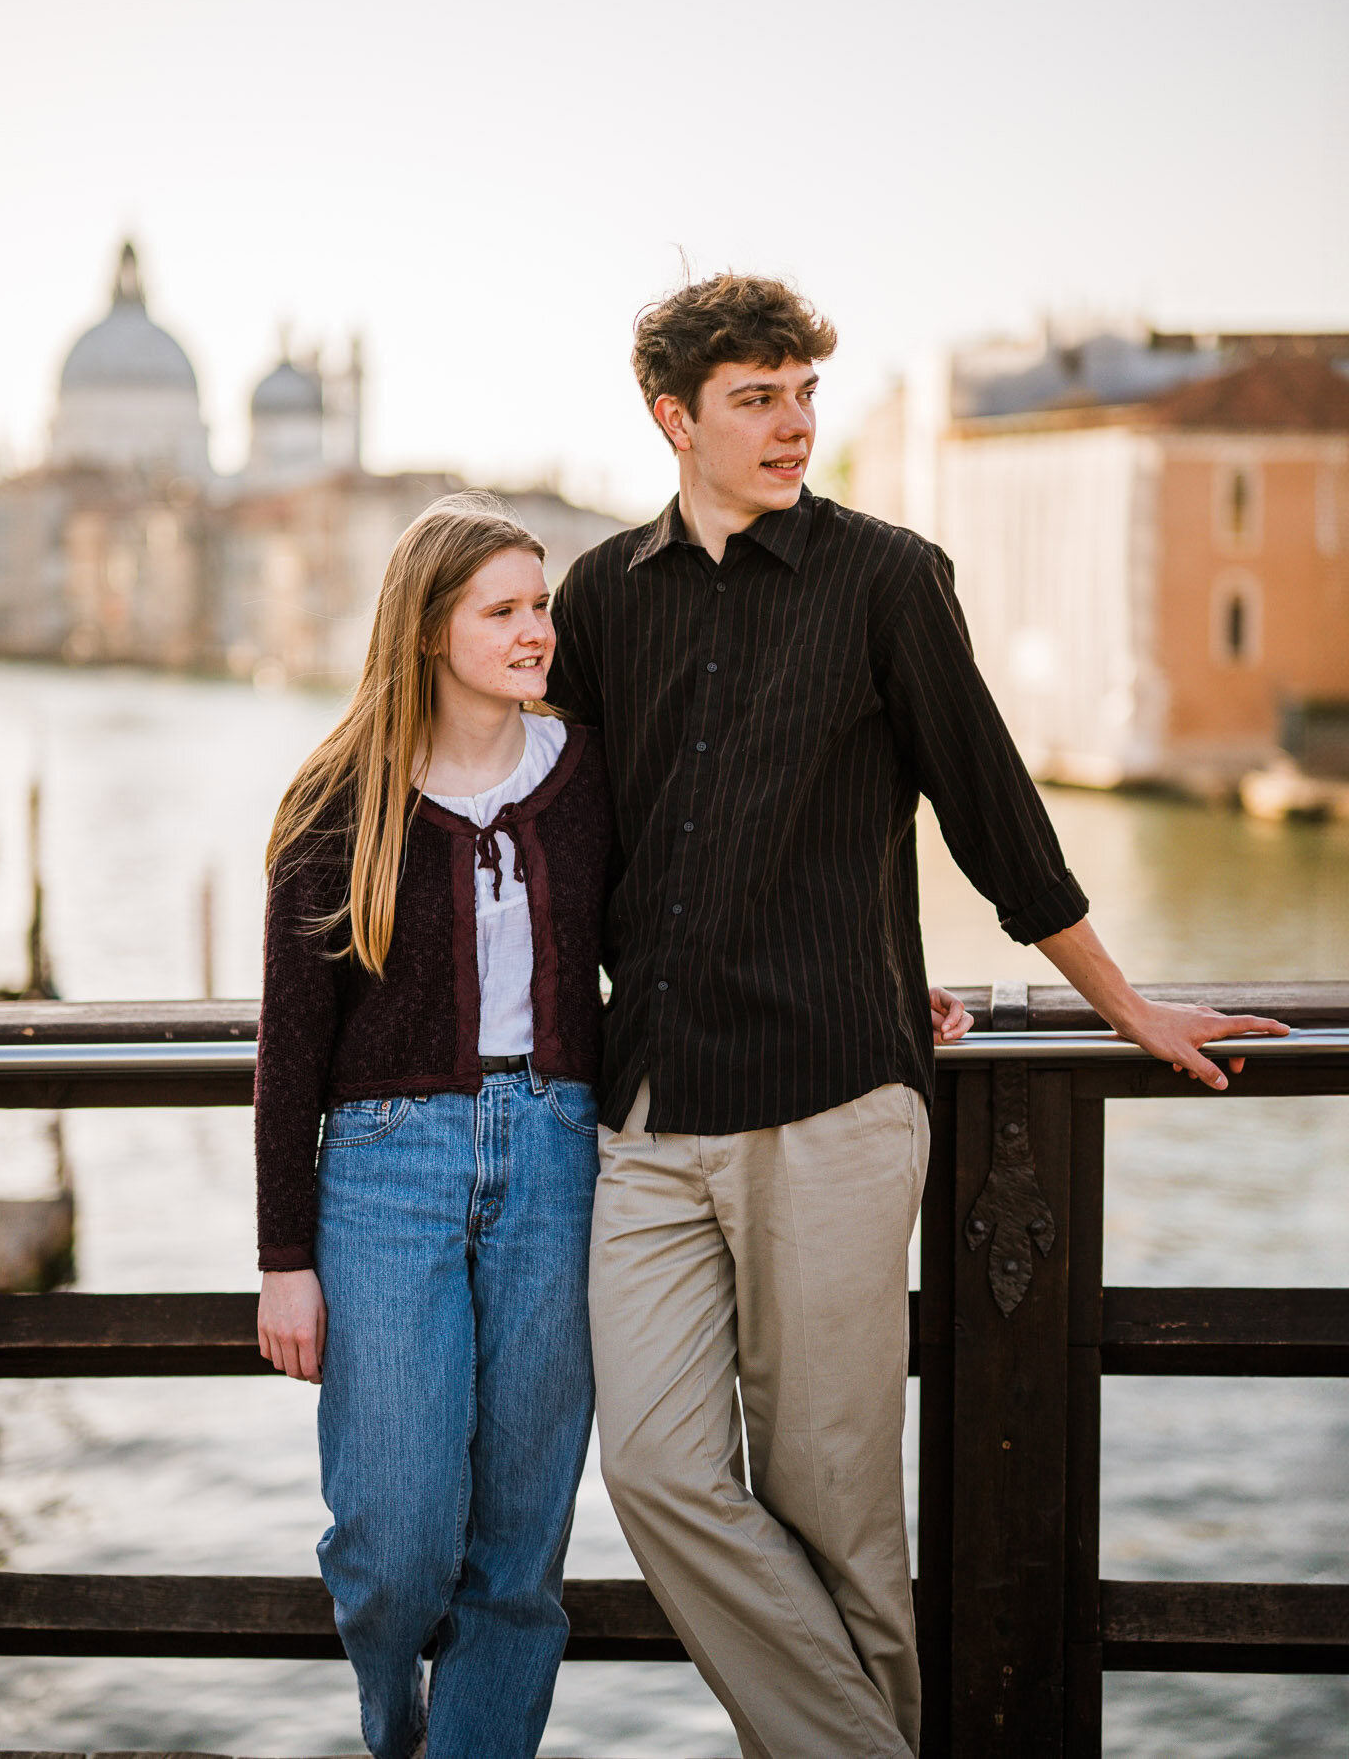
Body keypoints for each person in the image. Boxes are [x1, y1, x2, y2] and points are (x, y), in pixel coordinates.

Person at [546, 273, 1287, 1759]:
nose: (794, 425)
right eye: (757, 398)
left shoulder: (887, 577)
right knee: (658, 1475)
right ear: (671, 417)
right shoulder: (600, 595)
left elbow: (995, 817)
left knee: (836, 1519)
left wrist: (1123, 1002)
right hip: (644, 1111)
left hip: (830, 1099)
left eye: (806, 393)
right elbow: (574, 841)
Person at [253, 494, 613, 1759]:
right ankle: (394, 1731)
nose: (536, 633)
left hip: (559, 1156)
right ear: (427, 631)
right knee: (396, 1543)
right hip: (380, 1172)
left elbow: (680, 942)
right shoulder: (333, 802)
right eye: (503, 611)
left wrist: (889, 983)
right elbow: (288, 1053)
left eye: (541, 607)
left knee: (518, 1548)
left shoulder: (582, 778)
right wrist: (282, 1260)